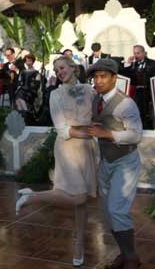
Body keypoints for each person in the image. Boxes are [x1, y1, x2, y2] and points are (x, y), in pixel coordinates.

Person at [16, 56, 97, 267]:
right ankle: (32, 198)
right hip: (68, 148)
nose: (60, 71)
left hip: (87, 149)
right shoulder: (55, 95)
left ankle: (79, 245)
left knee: (84, 199)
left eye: (62, 67)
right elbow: (62, 129)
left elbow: (96, 117)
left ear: (73, 67)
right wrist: (89, 133)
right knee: (78, 197)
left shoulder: (90, 90)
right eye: (56, 69)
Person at [86, 59, 143, 269]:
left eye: (103, 76)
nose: (98, 81)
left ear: (114, 78)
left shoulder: (126, 103)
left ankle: (131, 259)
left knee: (117, 210)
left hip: (125, 162)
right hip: (106, 162)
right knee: (108, 213)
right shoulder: (96, 99)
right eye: (95, 77)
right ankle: (125, 253)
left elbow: (136, 135)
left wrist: (107, 133)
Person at [122, 45, 155, 129]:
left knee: (148, 111)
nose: (136, 56)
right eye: (134, 53)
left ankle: (149, 128)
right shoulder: (133, 65)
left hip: (149, 91)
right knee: (137, 110)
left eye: (138, 53)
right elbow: (125, 74)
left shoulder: (153, 63)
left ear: (144, 53)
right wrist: (128, 64)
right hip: (137, 91)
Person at [15, 54, 41, 124]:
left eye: (30, 60)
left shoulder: (36, 72)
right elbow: (20, 81)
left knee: (25, 105)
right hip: (21, 91)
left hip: (30, 92)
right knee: (19, 102)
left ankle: (26, 119)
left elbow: (37, 84)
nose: (28, 62)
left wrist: (32, 89)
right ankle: (23, 119)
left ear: (33, 61)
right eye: (26, 61)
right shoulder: (22, 72)